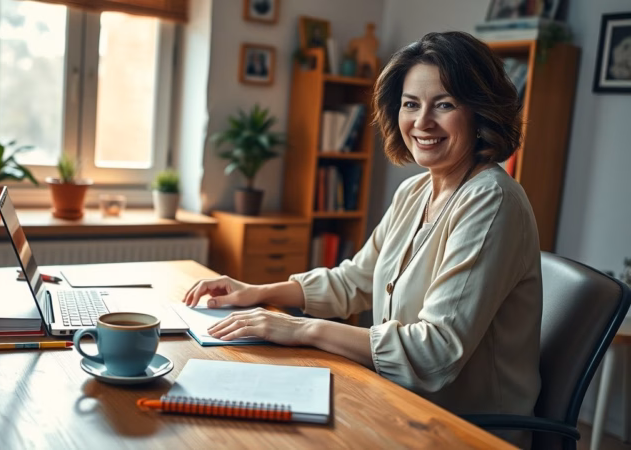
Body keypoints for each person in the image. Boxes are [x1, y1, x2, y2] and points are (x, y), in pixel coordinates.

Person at [184, 31, 540, 448]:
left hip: (466, 430)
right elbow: (355, 280)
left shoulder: (491, 200)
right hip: (399, 404)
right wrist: (256, 292)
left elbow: (435, 351)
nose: (422, 122)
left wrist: (300, 329)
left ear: (481, 112)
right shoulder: (415, 191)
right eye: (411, 104)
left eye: (444, 105)